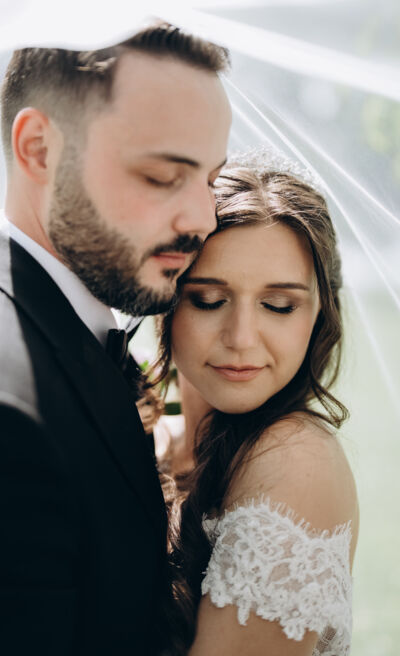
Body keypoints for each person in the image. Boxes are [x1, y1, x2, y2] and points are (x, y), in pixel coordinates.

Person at [0, 24, 232, 655]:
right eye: (163, 176)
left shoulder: (44, 320)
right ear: (39, 150)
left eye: (211, 179)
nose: (204, 219)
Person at [150, 148, 359, 655]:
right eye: (208, 300)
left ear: (318, 316)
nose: (242, 337)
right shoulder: (156, 439)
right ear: (165, 300)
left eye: (278, 305)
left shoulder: (293, 458)